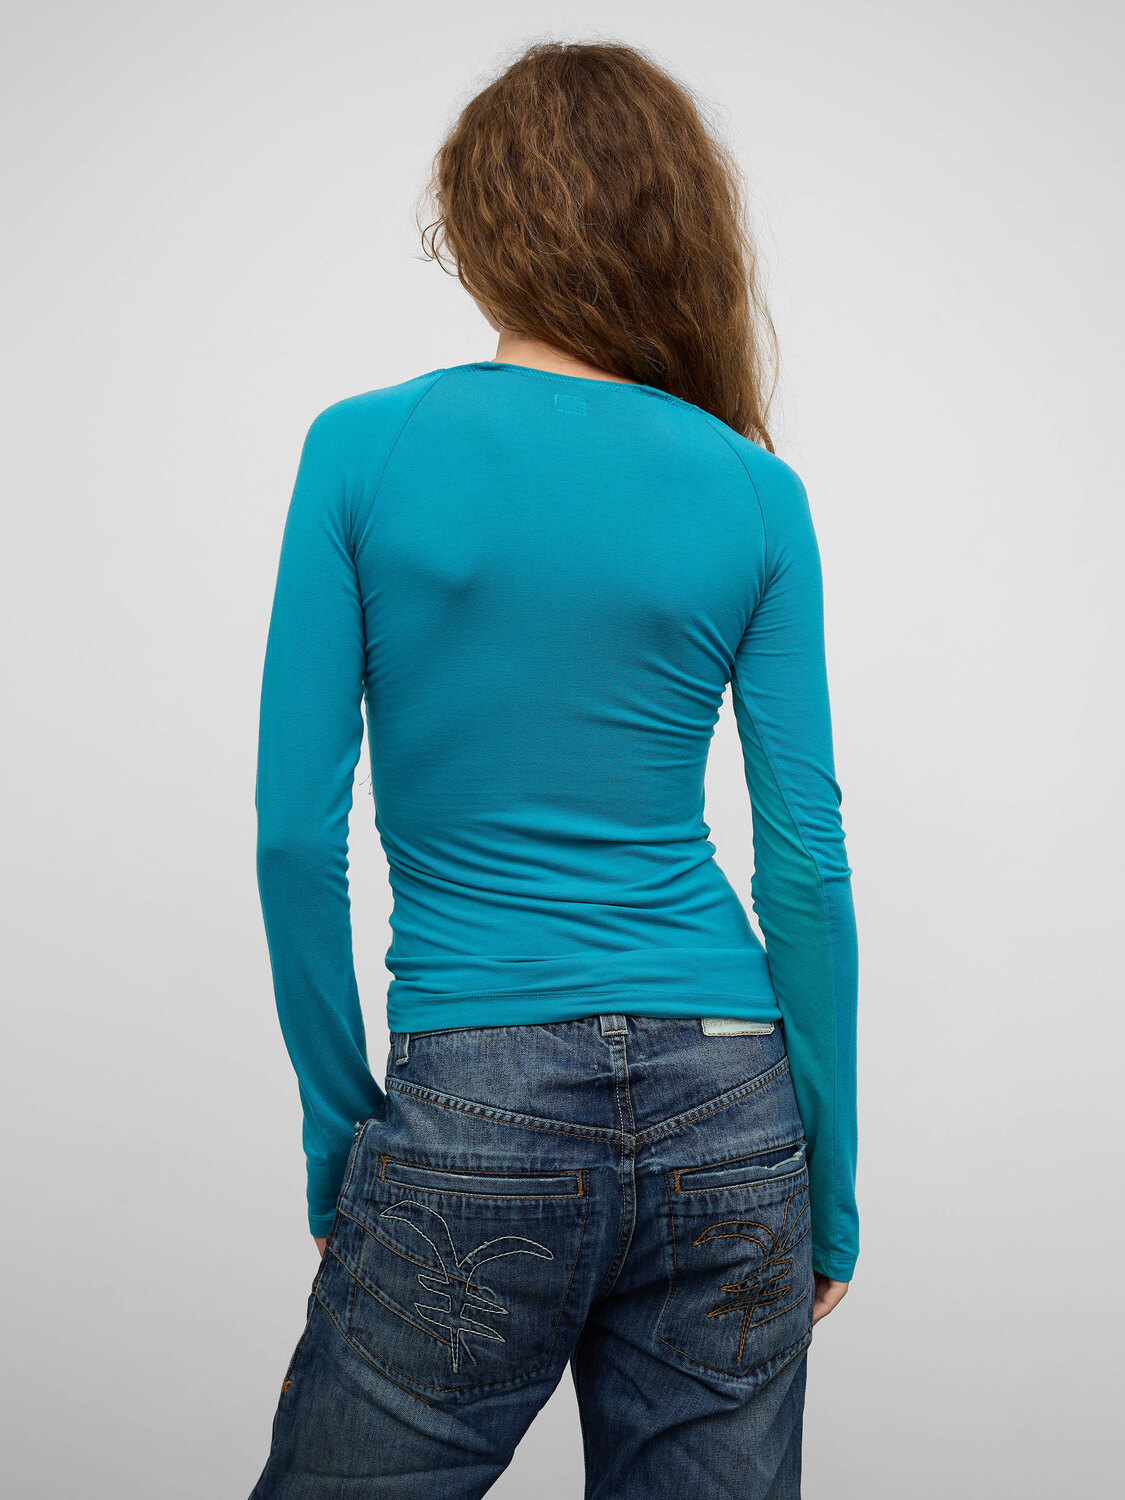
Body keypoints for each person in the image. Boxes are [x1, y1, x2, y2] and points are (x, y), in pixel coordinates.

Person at [249, 37, 858, 1500]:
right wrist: (828, 1182)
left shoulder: (363, 452)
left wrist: (340, 1128)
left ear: (480, 223)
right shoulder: (752, 489)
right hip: (732, 1101)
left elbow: (293, 837)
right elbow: (804, 861)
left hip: (475, 1086)